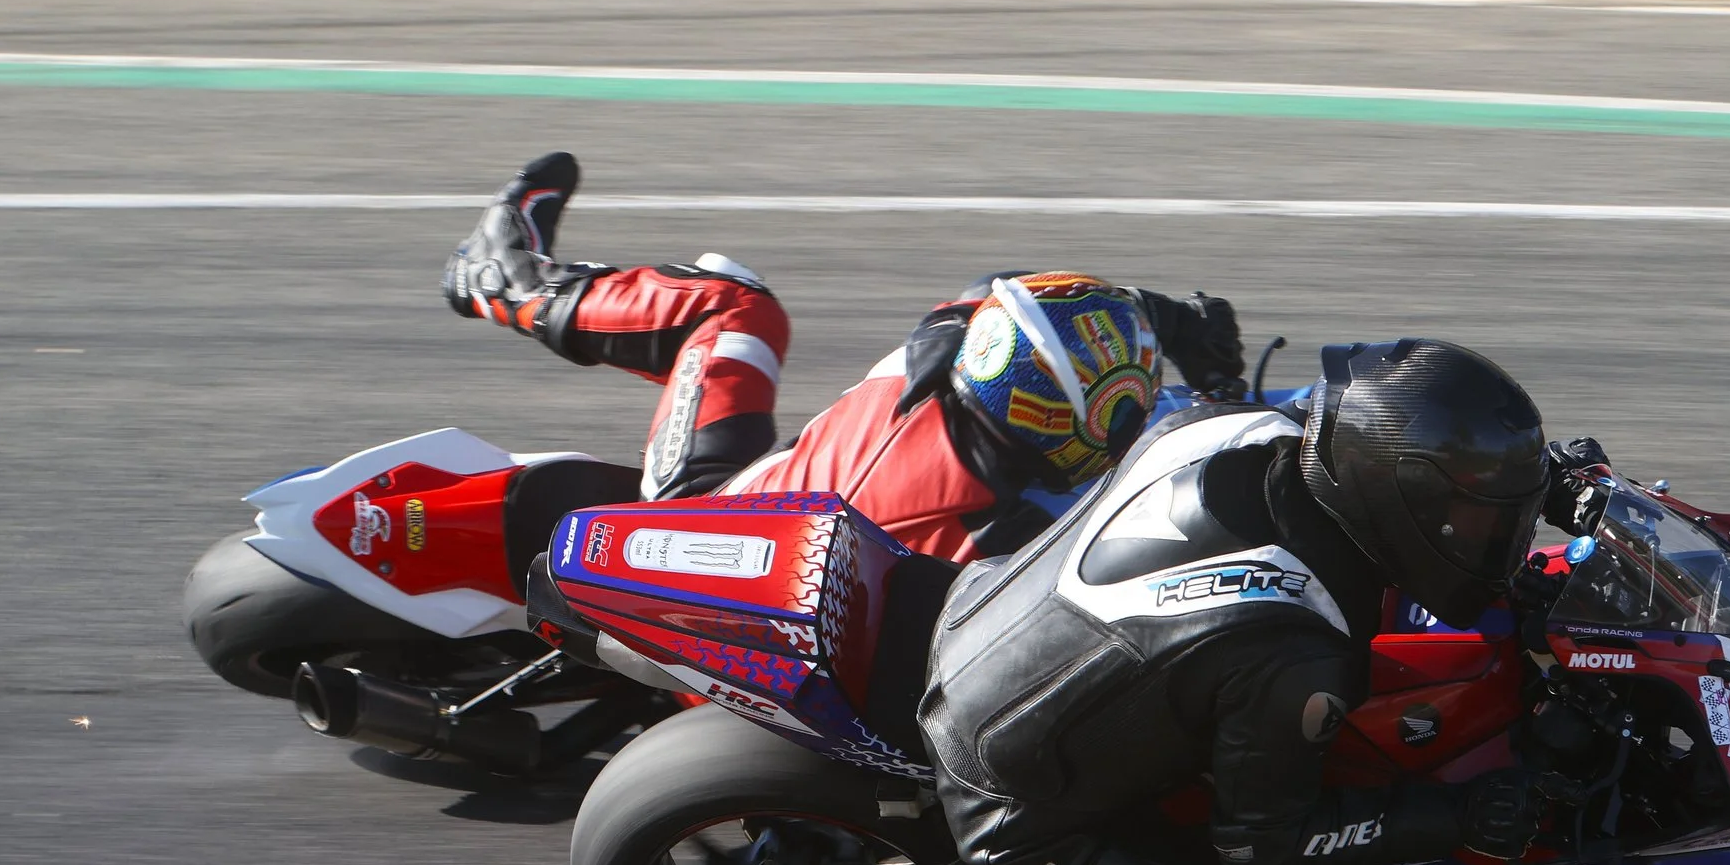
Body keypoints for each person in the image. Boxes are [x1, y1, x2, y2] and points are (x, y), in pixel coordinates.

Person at [917, 338, 1601, 865]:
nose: (1495, 539)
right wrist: (1453, 816)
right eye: (1475, 516)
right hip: (1017, 803)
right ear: (1398, 501)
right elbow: (1266, 852)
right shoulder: (1295, 650)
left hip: (987, 613)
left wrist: (1540, 481)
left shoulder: (1262, 431)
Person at [441, 151, 1247, 561]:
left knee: (736, 302)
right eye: (1121, 403)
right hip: (699, 556)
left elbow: (1013, 288)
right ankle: (503, 279)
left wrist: (1168, 321)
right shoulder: (998, 527)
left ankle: (514, 284)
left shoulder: (950, 342)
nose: (1137, 402)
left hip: (756, 546)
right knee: (731, 298)